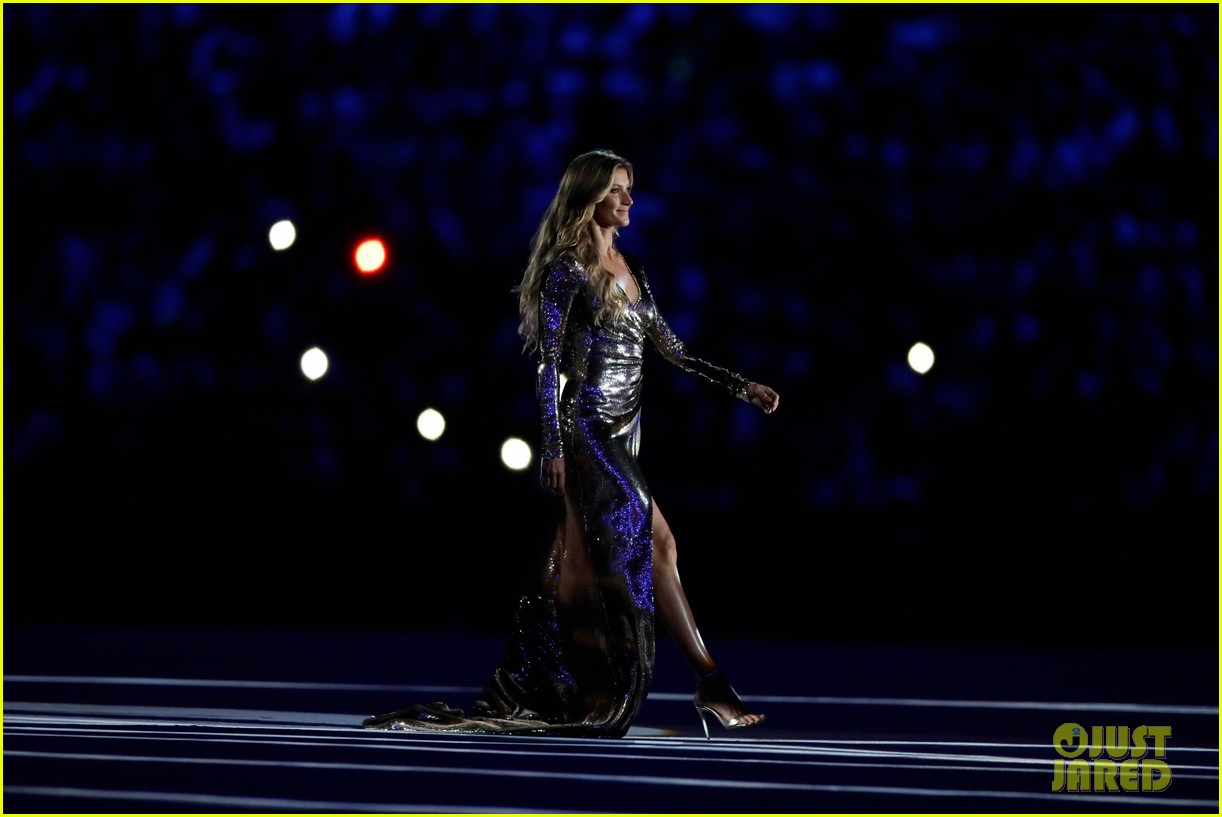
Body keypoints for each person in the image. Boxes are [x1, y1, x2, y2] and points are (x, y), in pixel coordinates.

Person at [362, 149, 780, 738]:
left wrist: (742, 386)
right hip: (588, 433)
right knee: (659, 543)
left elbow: (674, 351)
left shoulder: (632, 269)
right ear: (590, 198)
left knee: (661, 550)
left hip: (626, 434)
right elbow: (550, 366)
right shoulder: (567, 270)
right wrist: (553, 446)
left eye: (629, 189)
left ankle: (708, 681)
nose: (628, 200)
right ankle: (709, 681)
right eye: (616, 190)